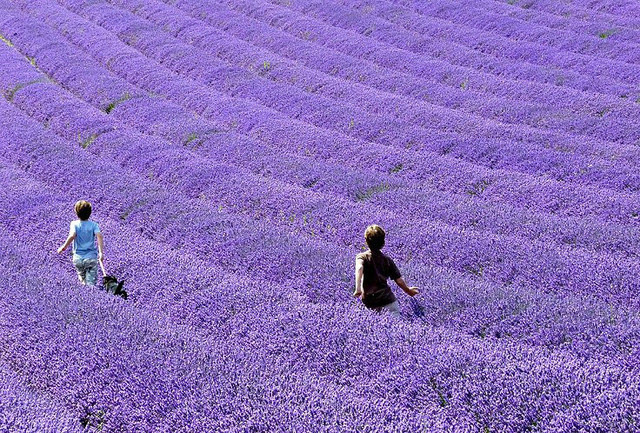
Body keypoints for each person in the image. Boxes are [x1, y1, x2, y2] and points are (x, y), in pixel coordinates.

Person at [353, 224, 419, 316]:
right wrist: (408, 291)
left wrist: (358, 288)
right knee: (396, 327)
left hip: (371, 302)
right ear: (383, 243)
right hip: (388, 300)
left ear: (366, 241)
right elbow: (399, 281)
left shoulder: (362, 257)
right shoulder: (387, 260)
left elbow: (359, 268)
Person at [57, 200, 104, 286]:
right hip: (91, 258)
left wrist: (63, 247)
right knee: (91, 283)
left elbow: (72, 236)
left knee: (83, 282)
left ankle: (85, 292)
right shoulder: (94, 225)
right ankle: (91, 296)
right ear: (90, 213)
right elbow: (99, 236)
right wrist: (101, 253)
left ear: (76, 212)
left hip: (78, 258)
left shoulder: (74, 224)